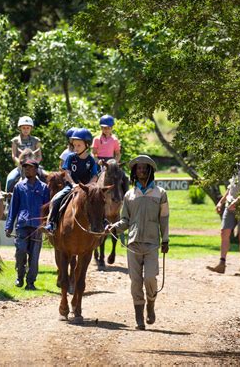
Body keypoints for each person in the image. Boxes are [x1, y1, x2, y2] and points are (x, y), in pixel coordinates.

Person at [107, 155, 169, 330]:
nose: (141, 171)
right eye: (138, 168)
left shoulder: (160, 193)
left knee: (150, 278)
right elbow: (125, 220)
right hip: (133, 243)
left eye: (144, 168)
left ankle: (151, 304)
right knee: (135, 281)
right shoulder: (129, 195)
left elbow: (164, 218)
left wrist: (165, 240)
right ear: (135, 172)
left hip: (152, 243)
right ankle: (139, 318)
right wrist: (114, 228)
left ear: (150, 171)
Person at [5, 159, 50, 290]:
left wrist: (46, 225)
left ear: (36, 170)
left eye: (30, 168)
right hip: (22, 225)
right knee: (20, 251)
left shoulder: (44, 188)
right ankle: (19, 277)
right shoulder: (19, 187)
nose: (27, 170)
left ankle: (31, 282)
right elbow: (13, 208)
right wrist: (9, 226)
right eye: (25, 168)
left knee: (34, 256)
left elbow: (47, 209)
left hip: (37, 227)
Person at [44, 128, 98, 234]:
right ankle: (52, 223)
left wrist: (87, 186)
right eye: (74, 145)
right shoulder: (70, 157)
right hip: (71, 186)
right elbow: (67, 173)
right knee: (57, 199)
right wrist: (73, 184)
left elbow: (95, 176)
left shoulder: (91, 160)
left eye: (79, 145)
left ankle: (103, 222)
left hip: (86, 188)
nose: (76, 148)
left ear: (87, 145)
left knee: (99, 201)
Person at [207, 164, 240, 276]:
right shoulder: (236, 166)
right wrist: (221, 202)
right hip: (229, 205)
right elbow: (230, 188)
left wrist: (238, 201)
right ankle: (222, 264)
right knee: (224, 232)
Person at [5, 116, 42, 193]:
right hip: (21, 167)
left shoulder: (36, 140)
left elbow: (39, 156)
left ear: (31, 128)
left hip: (34, 167)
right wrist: (21, 163)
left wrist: (35, 164)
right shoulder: (15, 141)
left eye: (28, 128)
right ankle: (8, 199)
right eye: (24, 128)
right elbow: (14, 155)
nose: (26, 130)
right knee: (10, 179)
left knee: (45, 178)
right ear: (20, 128)